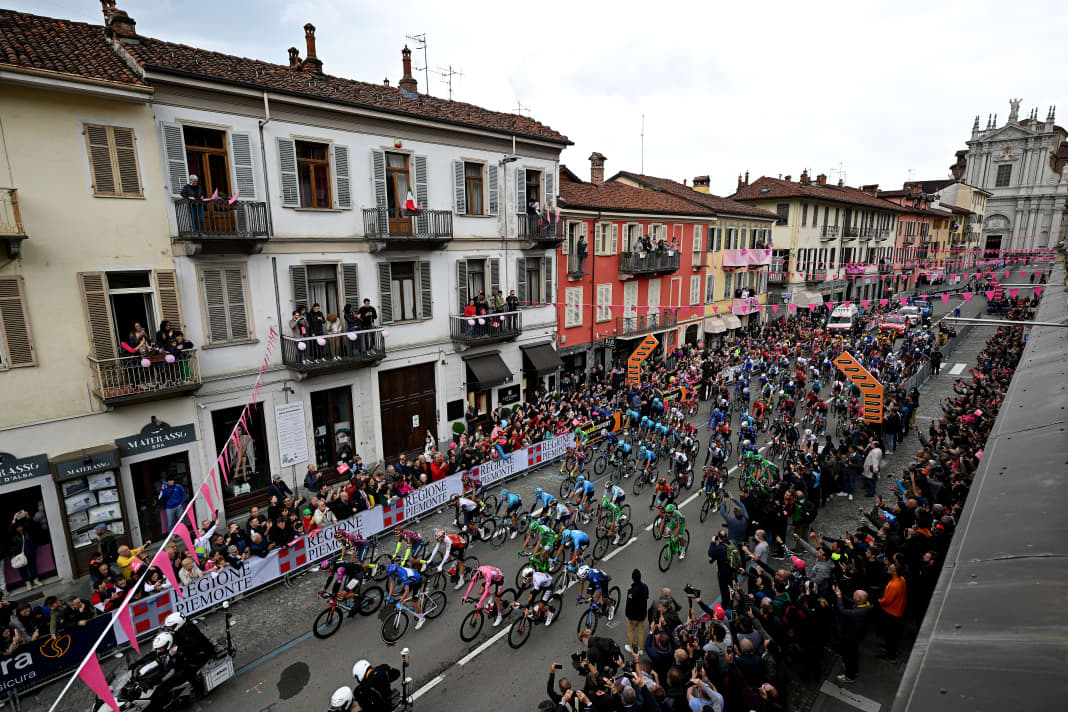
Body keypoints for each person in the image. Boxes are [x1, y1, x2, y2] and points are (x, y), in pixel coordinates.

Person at [624, 568, 649, 654]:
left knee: (631, 631)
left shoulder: (632, 592)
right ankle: (641, 648)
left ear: (632, 578)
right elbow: (646, 597)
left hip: (633, 617)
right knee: (641, 631)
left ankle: (632, 647)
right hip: (642, 614)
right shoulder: (645, 587)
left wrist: (629, 617)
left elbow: (629, 606)